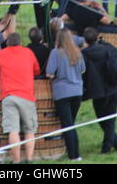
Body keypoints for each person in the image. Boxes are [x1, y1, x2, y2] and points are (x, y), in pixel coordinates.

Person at [0, 33, 40, 164]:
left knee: (13, 130)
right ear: (20, 42)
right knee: (29, 130)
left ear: (8, 43)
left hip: (9, 96)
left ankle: (16, 161)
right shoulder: (28, 52)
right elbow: (37, 71)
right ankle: (29, 159)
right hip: (27, 96)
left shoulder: (1, 53)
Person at [82, 27, 117, 154]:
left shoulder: (84, 55)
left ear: (85, 40)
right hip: (114, 88)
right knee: (110, 119)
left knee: (102, 119)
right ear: (98, 37)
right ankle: (114, 142)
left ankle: (107, 147)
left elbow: (83, 73)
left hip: (98, 92)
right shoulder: (108, 49)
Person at [46, 28, 85, 161]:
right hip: (77, 91)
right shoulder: (78, 52)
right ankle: (73, 151)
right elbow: (83, 70)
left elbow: (49, 73)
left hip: (62, 92)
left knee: (68, 125)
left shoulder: (55, 53)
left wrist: (57, 75)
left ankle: (74, 155)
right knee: (71, 124)